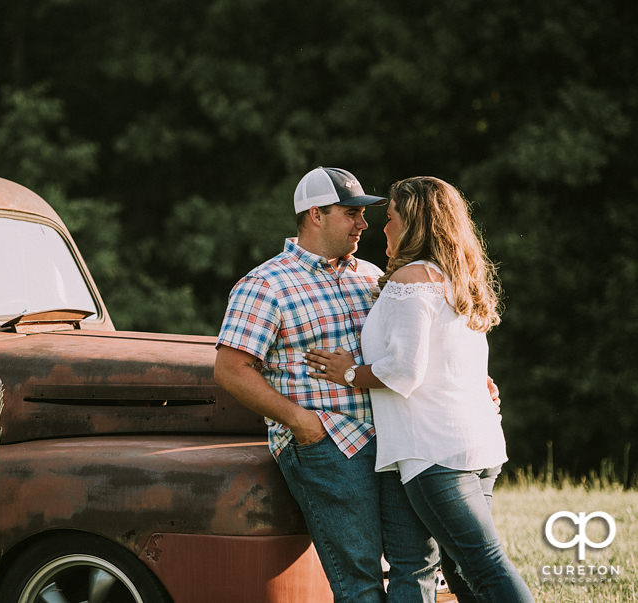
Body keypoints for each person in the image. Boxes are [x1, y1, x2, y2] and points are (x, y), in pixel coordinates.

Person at [214, 167, 439, 603]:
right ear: (315, 215)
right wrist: (301, 423)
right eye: (351, 213)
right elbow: (231, 368)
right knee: (359, 579)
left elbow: (411, 348)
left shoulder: (373, 275)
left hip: (394, 438)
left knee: (419, 563)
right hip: (328, 443)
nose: (364, 223)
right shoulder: (266, 284)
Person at [304, 176, 534, 602]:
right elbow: (453, 359)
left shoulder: (412, 277)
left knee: (483, 564)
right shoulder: (453, 276)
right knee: (461, 569)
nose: (380, 227)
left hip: (435, 454)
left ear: (413, 223)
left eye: (390, 218)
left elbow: (405, 371)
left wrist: (351, 373)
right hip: (476, 446)